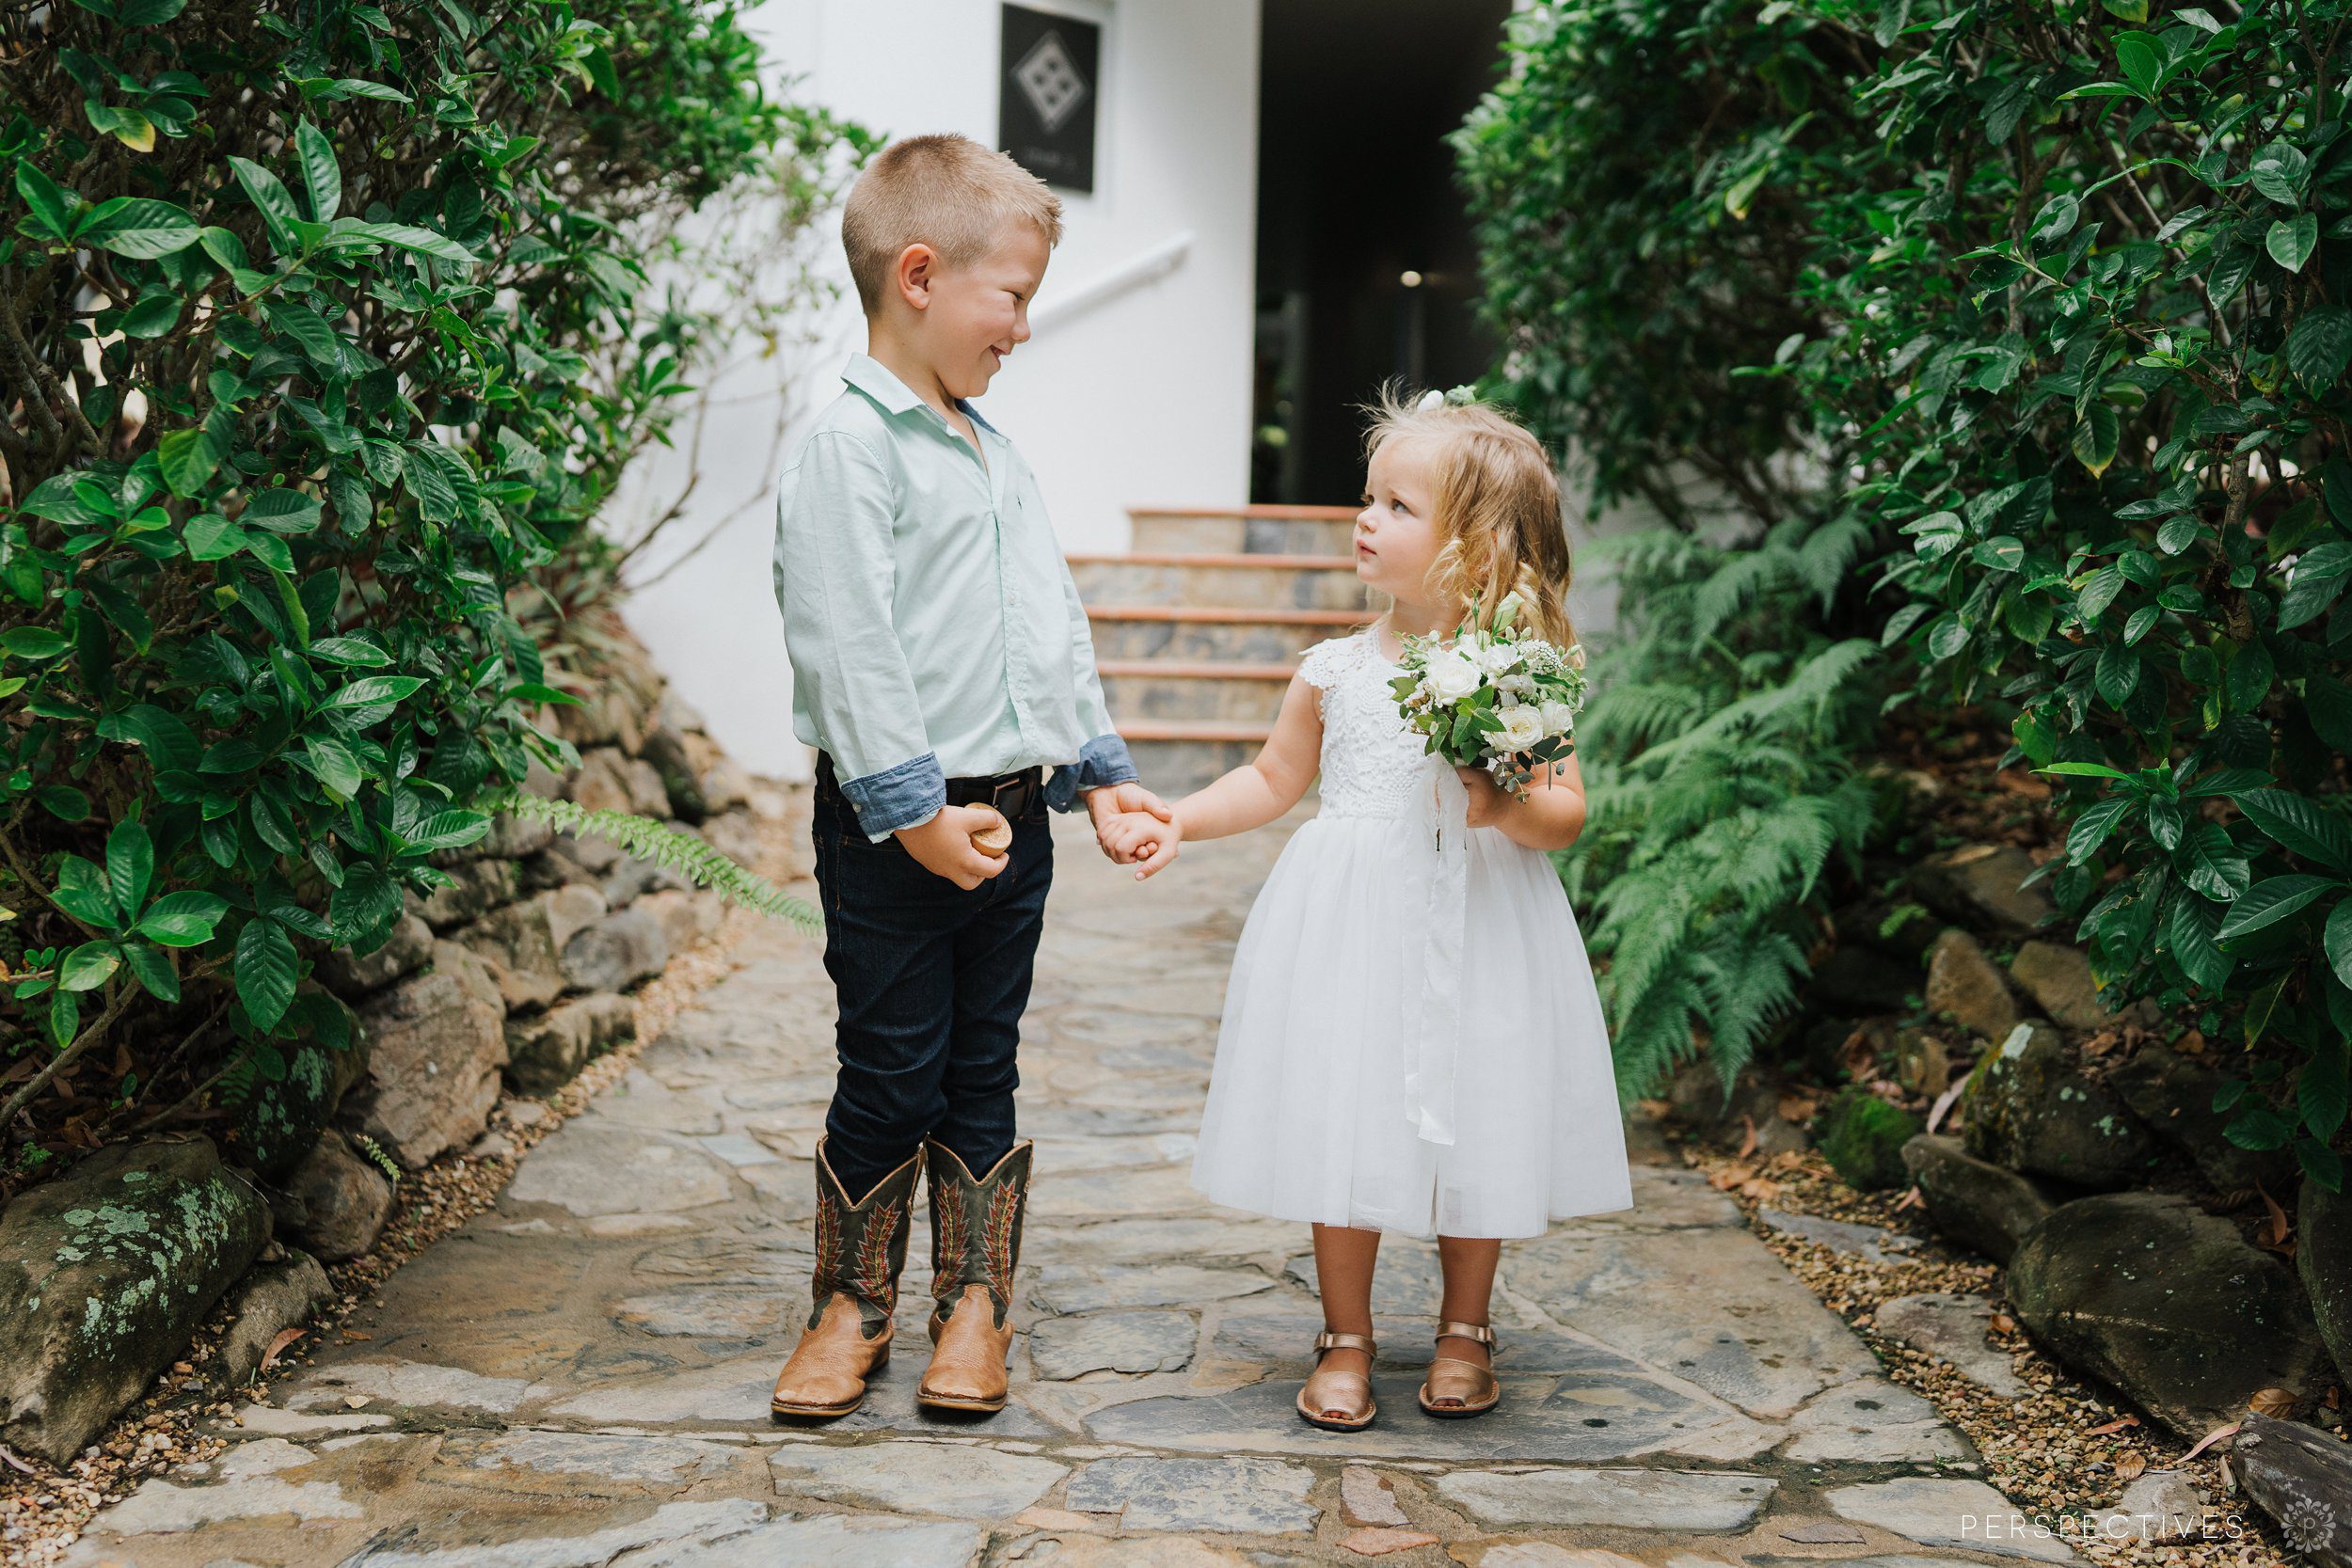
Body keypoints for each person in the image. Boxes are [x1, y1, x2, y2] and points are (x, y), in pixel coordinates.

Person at [1097, 389, 1633, 1431]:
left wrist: (1505, 802)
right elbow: (1270, 777)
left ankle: (1464, 1327)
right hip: (1352, 921)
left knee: (1478, 1111)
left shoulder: (1521, 677)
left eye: (1396, 505)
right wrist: (1181, 818)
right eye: (1367, 497)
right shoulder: (1335, 670)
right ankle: (1344, 1332)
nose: (1364, 518)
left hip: (1482, 922)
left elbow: (1564, 812)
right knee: (1343, 1110)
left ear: (1473, 545)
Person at [768, 133, 1169, 1421]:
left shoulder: (995, 454)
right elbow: (849, 642)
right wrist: (911, 812)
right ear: (922, 276)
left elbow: (1049, 620)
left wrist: (1096, 766)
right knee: (892, 1060)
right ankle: (850, 1303)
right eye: (1015, 298)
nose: (1026, 329)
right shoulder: (851, 445)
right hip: (898, 823)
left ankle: (976, 1302)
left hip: (1008, 813)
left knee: (982, 1060)